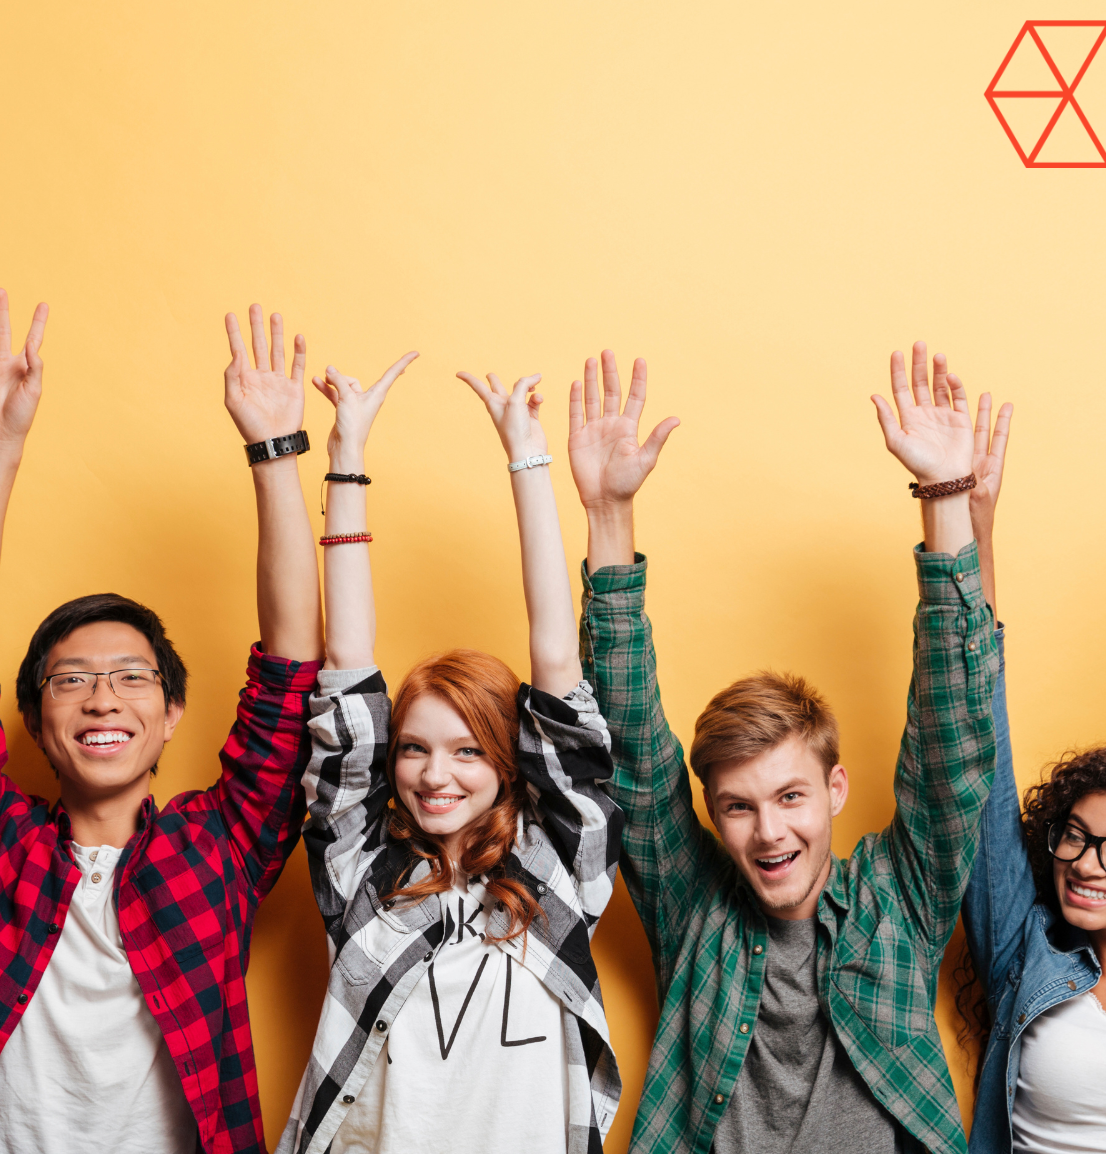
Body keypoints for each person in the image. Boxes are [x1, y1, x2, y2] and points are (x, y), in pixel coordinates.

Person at [573, 344, 1003, 1154]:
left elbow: (951, 743)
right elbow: (627, 738)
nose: (769, 832)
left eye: (790, 796)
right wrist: (607, 521)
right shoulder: (693, 905)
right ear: (711, 814)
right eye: (738, 807)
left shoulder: (897, 902)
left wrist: (946, 497)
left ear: (836, 787)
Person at [0, 294, 324, 1154]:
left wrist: (272, 452)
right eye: (71, 681)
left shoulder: (217, 845)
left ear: (171, 712)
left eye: (131, 678)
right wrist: (3, 445)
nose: (102, 699)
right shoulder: (8, 851)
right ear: (37, 721)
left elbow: (293, 675)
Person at [278, 362, 623, 1154]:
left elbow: (557, 668)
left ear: (509, 760)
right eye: (414, 749)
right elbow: (348, 664)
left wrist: (527, 458)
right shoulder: (363, 878)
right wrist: (348, 454)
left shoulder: (559, 873)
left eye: (469, 749)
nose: (436, 775)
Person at [960, 415, 1106, 1149]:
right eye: (1076, 836)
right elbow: (983, 761)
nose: (1087, 862)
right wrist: (973, 531)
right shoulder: (1024, 947)